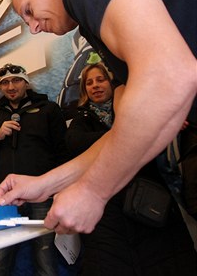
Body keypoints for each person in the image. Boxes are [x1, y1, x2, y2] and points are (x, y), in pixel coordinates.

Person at [0, 0, 197, 235]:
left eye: (29, 10)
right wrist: (46, 183)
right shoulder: (94, 25)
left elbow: (169, 78)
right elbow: (125, 132)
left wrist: (93, 191)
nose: (33, 28)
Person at [66, 62, 196, 274]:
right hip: (110, 208)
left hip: (150, 196)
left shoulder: (134, 105)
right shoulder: (82, 118)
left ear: (111, 83)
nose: (95, 86)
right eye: (89, 83)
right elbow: (74, 142)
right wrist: (125, 133)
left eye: (100, 79)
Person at [0, 63, 69, 275]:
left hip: (42, 195)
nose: (11, 86)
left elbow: (63, 152)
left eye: (16, 80)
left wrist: (60, 190)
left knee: (45, 258)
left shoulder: (49, 109)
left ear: (26, 82)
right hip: (7, 196)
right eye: (5, 82)